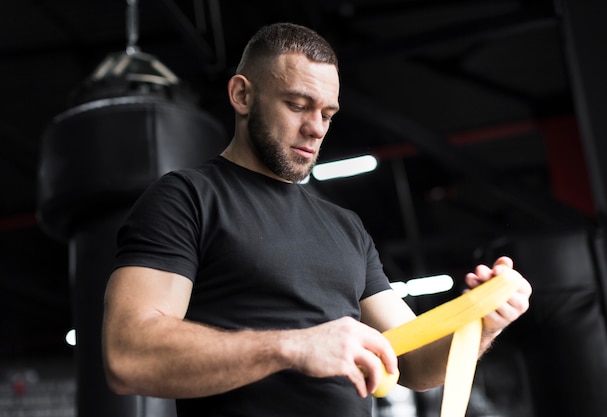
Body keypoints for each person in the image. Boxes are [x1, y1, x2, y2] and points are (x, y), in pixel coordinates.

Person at [102, 22, 532, 417]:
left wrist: (481, 323)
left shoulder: (346, 227)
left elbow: (414, 362)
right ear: (242, 95)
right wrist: (295, 345)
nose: (316, 129)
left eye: (327, 113)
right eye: (297, 105)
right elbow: (129, 354)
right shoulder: (187, 198)